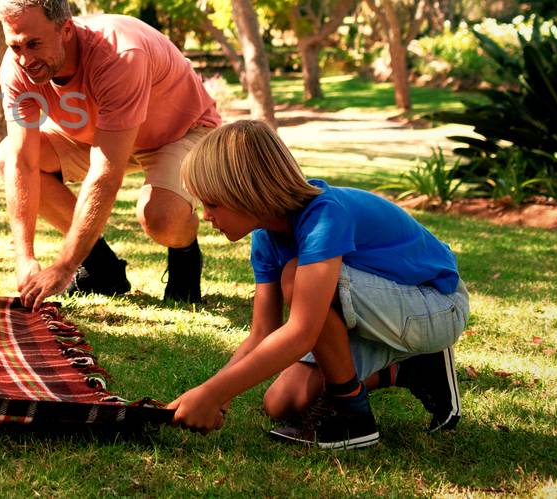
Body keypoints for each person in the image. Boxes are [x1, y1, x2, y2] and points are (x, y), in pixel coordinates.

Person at [167, 120, 468, 450]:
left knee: (296, 276)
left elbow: (301, 332)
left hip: (437, 306)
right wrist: (211, 394)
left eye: (212, 203)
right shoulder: (265, 237)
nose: (207, 216)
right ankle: (413, 369)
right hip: (385, 311)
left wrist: (214, 394)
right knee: (283, 403)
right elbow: (262, 333)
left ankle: (354, 419)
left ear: (246, 190)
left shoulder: (325, 215)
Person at [0, 0, 222, 307]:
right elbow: (23, 162)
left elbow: (105, 175)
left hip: (181, 132)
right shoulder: (16, 69)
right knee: (7, 157)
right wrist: (24, 257)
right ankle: (102, 269)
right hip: (96, 134)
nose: (25, 59)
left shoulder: (119, 54)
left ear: (66, 30)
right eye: (15, 46)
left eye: (34, 44)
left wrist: (64, 265)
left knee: (160, 218)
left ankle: (185, 257)